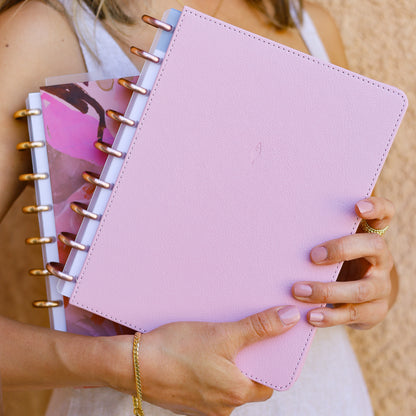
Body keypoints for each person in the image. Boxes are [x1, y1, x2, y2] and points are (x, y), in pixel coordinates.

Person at [0, 0, 398, 415]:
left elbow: (374, 270)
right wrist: (119, 365)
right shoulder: (38, 34)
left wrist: (367, 288)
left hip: (324, 399)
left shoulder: (310, 27)